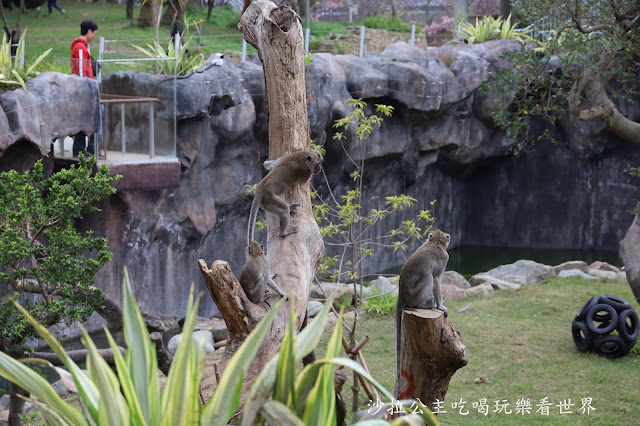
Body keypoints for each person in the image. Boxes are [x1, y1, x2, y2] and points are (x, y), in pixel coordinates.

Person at [71, 20, 98, 157]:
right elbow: (81, 70)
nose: (94, 36)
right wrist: (86, 89)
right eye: (94, 33)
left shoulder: (83, 46)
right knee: (89, 117)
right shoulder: (80, 48)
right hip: (83, 89)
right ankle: (83, 149)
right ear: (89, 31)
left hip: (86, 88)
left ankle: (87, 148)